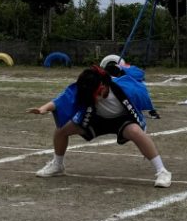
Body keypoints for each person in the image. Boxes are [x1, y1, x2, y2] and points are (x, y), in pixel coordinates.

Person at [28, 65, 171, 188]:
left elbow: (138, 78)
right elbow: (62, 100)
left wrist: (121, 68)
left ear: (103, 86)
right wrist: (43, 109)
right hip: (94, 117)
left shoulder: (125, 87)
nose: (94, 97)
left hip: (122, 119)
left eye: (95, 94)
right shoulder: (85, 89)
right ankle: (57, 165)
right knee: (61, 130)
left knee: (136, 131)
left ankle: (162, 172)